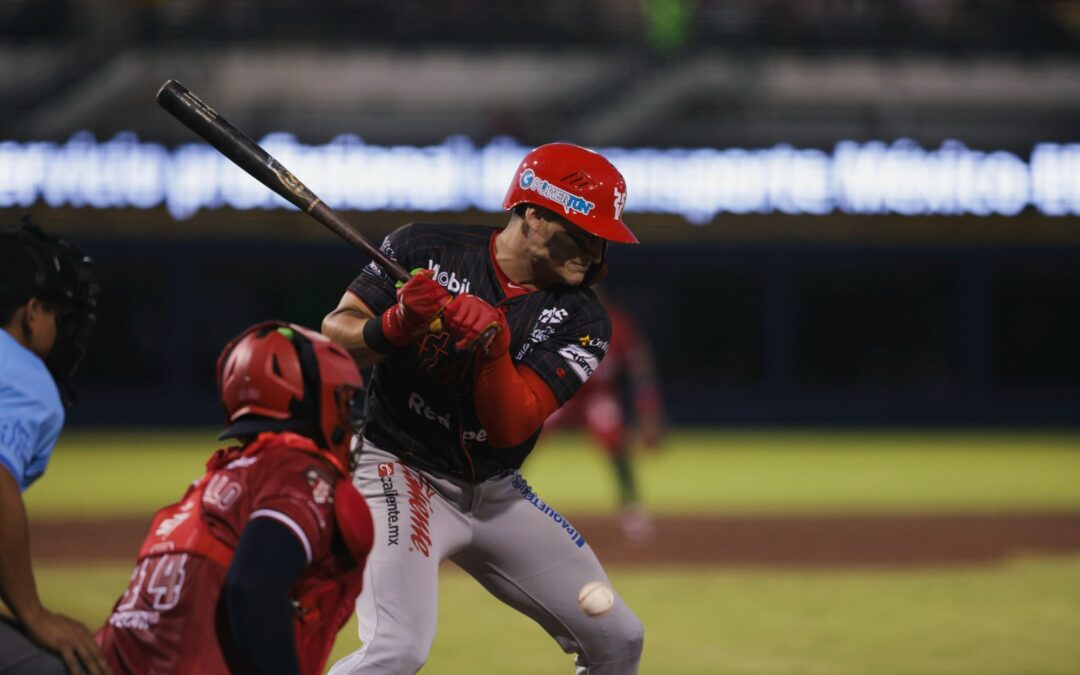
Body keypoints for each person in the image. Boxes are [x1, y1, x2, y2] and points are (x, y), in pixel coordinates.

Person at [322, 142, 645, 674]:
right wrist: (396, 325)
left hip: (494, 492)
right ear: (536, 215)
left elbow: (511, 424)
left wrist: (493, 347)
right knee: (397, 649)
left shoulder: (584, 318)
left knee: (619, 640)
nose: (596, 255)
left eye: (604, 242)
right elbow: (335, 339)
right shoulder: (422, 247)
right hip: (395, 469)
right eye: (585, 234)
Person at [95, 321, 375, 675]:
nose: (351, 415)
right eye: (345, 400)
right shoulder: (299, 471)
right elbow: (254, 584)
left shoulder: (207, 486)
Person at [0, 219, 106, 675]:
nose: (64, 331)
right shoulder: (21, 373)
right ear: (32, 312)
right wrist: (33, 613)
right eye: (58, 317)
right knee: (68, 668)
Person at [543, 295, 664, 546]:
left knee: (616, 444)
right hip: (559, 391)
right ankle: (493, 500)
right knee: (517, 437)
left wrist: (649, 413)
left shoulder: (617, 324)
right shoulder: (555, 318)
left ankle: (632, 509)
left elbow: (640, 368)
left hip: (597, 395)